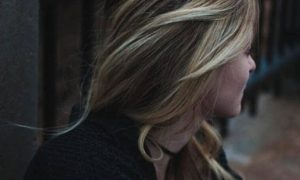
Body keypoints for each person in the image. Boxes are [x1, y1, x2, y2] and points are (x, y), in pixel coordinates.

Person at [24, 0, 258, 179]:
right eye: (246, 50)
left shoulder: (199, 150)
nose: (252, 65)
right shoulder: (81, 167)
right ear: (199, 59)